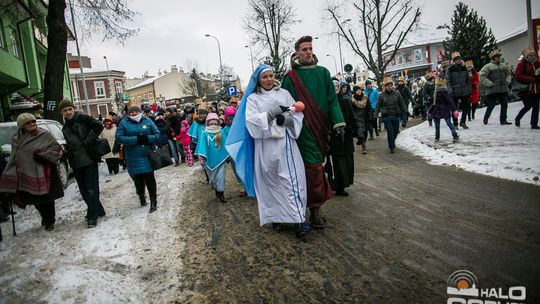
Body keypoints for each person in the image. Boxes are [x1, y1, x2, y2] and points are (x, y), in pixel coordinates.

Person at [281, 35, 346, 230]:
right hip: (302, 131)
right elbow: (284, 103)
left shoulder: (323, 73)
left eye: (310, 48)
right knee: (313, 169)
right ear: (297, 53)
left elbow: (332, 100)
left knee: (316, 167)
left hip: (321, 128)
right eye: (304, 49)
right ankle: (314, 210)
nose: (308, 52)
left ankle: (308, 208)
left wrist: (338, 122)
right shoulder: (290, 77)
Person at [237, 65, 309, 238]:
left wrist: (289, 120)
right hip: (266, 148)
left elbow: (297, 113)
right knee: (271, 182)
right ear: (258, 80)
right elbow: (251, 122)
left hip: (285, 145)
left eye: (271, 76)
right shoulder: (253, 99)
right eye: (265, 77)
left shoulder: (283, 93)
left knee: (291, 181)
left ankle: (299, 221)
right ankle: (276, 216)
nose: (269, 79)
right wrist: (270, 115)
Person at [0, 113, 64, 231]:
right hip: (26, 172)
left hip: (44, 171)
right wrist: (10, 172)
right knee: (34, 199)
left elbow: (56, 148)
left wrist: (44, 155)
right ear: (21, 125)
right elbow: (14, 156)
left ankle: (50, 220)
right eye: (28, 123)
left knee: (47, 198)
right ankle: (44, 216)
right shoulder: (16, 138)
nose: (32, 124)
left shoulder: (44, 134)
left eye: (33, 121)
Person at [58, 99, 106, 228]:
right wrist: (66, 149)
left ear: (73, 109)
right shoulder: (65, 127)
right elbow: (72, 142)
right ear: (61, 113)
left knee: (91, 189)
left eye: (70, 109)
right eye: (65, 110)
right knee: (84, 190)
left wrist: (88, 139)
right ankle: (98, 210)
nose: (68, 112)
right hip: (76, 161)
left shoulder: (83, 118)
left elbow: (99, 126)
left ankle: (92, 216)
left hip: (89, 158)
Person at [115, 102, 161, 213]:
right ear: (128, 113)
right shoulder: (123, 123)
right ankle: (141, 195)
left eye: (136, 111)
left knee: (150, 180)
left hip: (147, 155)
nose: (134, 113)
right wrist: (135, 140)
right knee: (138, 181)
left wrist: (147, 139)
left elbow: (157, 134)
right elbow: (119, 137)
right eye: (131, 111)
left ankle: (153, 201)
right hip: (132, 156)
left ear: (140, 112)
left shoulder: (147, 121)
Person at [328, 82, 359, 197]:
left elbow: (352, 118)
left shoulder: (346, 101)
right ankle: (338, 186)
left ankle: (342, 185)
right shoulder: (328, 103)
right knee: (337, 163)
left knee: (348, 162)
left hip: (346, 137)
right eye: (333, 87)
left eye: (337, 87)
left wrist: (359, 133)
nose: (335, 89)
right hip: (335, 138)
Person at [195, 113, 229, 203]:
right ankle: (217, 190)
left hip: (220, 160)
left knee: (221, 176)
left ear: (217, 123)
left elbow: (225, 144)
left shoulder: (221, 132)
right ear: (208, 123)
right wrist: (202, 157)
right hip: (208, 160)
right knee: (213, 178)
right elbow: (202, 146)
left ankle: (221, 193)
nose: (213, 125)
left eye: (215, 123)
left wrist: (228, 156)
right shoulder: (205, 133)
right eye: (211, 123)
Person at [479, 50, 512, 125]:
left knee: (504, 104)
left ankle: (503, 120)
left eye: (499, 56)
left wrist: (507, 81)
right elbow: (482, 77)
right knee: (491, 105)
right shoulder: (488, 66)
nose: (499, 58)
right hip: (492, 90)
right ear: (493, 58)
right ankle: (486, 118)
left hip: (503, 89)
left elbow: (508, 74)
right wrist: (490, 84)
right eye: (497, 57)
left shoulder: (503, 66)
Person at [375, 77, 406, 153]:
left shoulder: (397, 93)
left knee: (396, 131)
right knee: (390, 131)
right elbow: (378, 106)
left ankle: (392, 141)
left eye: (391, 85)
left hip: (396, 115)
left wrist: (405, 110)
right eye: (388, 86)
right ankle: (392, 147)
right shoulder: (381, 95)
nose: (389, 87)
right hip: (386, 117)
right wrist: (375, 114)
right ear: (385, 87)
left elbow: (401, 103)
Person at [514, 47, 540, 129]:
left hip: (536, 89)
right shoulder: (522, 64)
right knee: (528, 106)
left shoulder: (537, 64)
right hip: (525, 89)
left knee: (536, 107)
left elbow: (537, 77)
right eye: (531, 55)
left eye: (534, 55)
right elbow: (518, 76)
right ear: (527, 56)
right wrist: (532, 78)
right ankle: (518, 118)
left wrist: (537, 75)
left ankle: (534, 124)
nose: (533, 57)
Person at [428, 79, 460, 143]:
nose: (436, 86)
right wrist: (430, 110)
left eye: (436, 85)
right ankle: (438, 137)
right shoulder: (436, 92)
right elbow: (434, 103)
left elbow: (450, 102)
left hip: (442, 110)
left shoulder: (442, 92)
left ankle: (454, 135)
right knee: (441, 124)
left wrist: (454, 110)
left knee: (447, 123)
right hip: (440, 110)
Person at [446, 52, 472, 129]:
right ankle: (455, 124)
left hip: (465, 90)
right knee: (454, 109)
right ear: (453, 61)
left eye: (459, 59)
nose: (458, 60)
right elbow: (448, 81)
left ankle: (463, 122)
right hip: (454, 91)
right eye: (456, 59)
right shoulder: (450, 69)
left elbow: (468, 80)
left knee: (466, 106)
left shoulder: (464, 68)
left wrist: (469, 90)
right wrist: (450, 91)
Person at [351, 85, 371, 154]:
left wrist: (370, 114)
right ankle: (363, 147)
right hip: (357, 118)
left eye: (359, 90)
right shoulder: (352, 100)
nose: (359, 91)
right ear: (354, 92)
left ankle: (363, 142)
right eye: (357, 90)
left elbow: (369, 107)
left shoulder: (365, 97)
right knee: (360, 133)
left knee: (365, 133)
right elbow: (351, 110)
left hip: (365, 117)